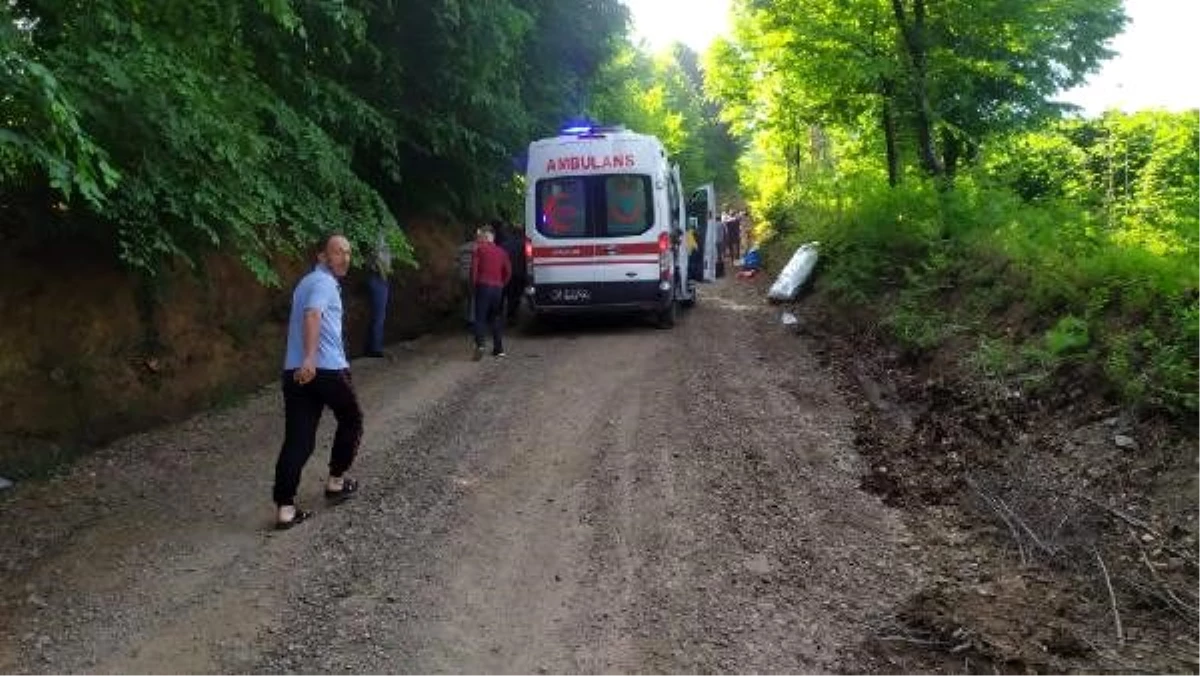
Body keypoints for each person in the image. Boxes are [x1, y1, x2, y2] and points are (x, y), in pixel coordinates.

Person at [272, 233, 363, 530]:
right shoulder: (323, 283)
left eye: (348, 253)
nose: (344, 258)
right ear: (322, 256)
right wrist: (311, 358)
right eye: (337, 252)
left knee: (299, 438)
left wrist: (303, 362)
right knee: (352, 419)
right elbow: (313, 315)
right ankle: (336, 482)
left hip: (294, 371)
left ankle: (285, 508)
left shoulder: (304, 284)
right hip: (324, 369)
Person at [470, 224, 512, 360]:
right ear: (493, 237)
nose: (480, 238)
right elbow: (508, 272)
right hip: (497, 288)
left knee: (480, 317)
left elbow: (474, 271)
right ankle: (499, 349)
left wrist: (473, 286)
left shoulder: (479, 250)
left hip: (483, 286)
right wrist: (501, 284)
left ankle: (480, 345)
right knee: (495, 318)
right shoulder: (502, 252)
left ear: (486, 236)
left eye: (481, 235)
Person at [363, 229, 393, 358]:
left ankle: (372, 346)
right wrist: (384, 277)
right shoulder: (380, 242)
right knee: (379, 315)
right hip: (378, 279)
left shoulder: (373, 242)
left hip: (373, 278)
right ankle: (375, 348)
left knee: (376, 315)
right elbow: (380, 262)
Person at [498, 221, 526, 323]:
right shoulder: (524, 244)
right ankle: (512, 315)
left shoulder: (504, 245)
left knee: (506, 294)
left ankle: (499, 315)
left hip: (506, 274)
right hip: (520, 274)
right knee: (516, 296)